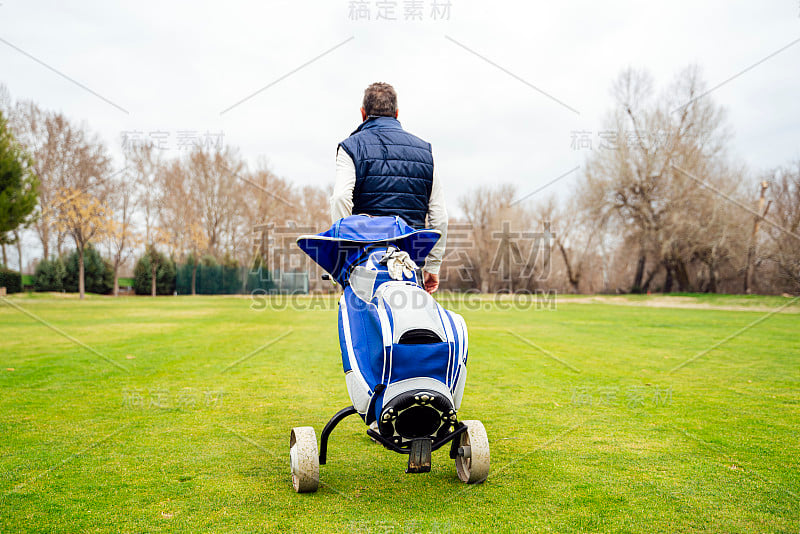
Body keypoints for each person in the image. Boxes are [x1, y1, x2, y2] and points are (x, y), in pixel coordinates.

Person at [330, 82, 448, 294]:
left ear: (363, 113)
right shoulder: (425, 151)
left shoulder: (350, 147)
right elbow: (440, 217)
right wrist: (432, 266)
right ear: (396, 113)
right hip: (409, 266)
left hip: (364, 268)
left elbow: (340, 198)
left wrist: (344, 259)